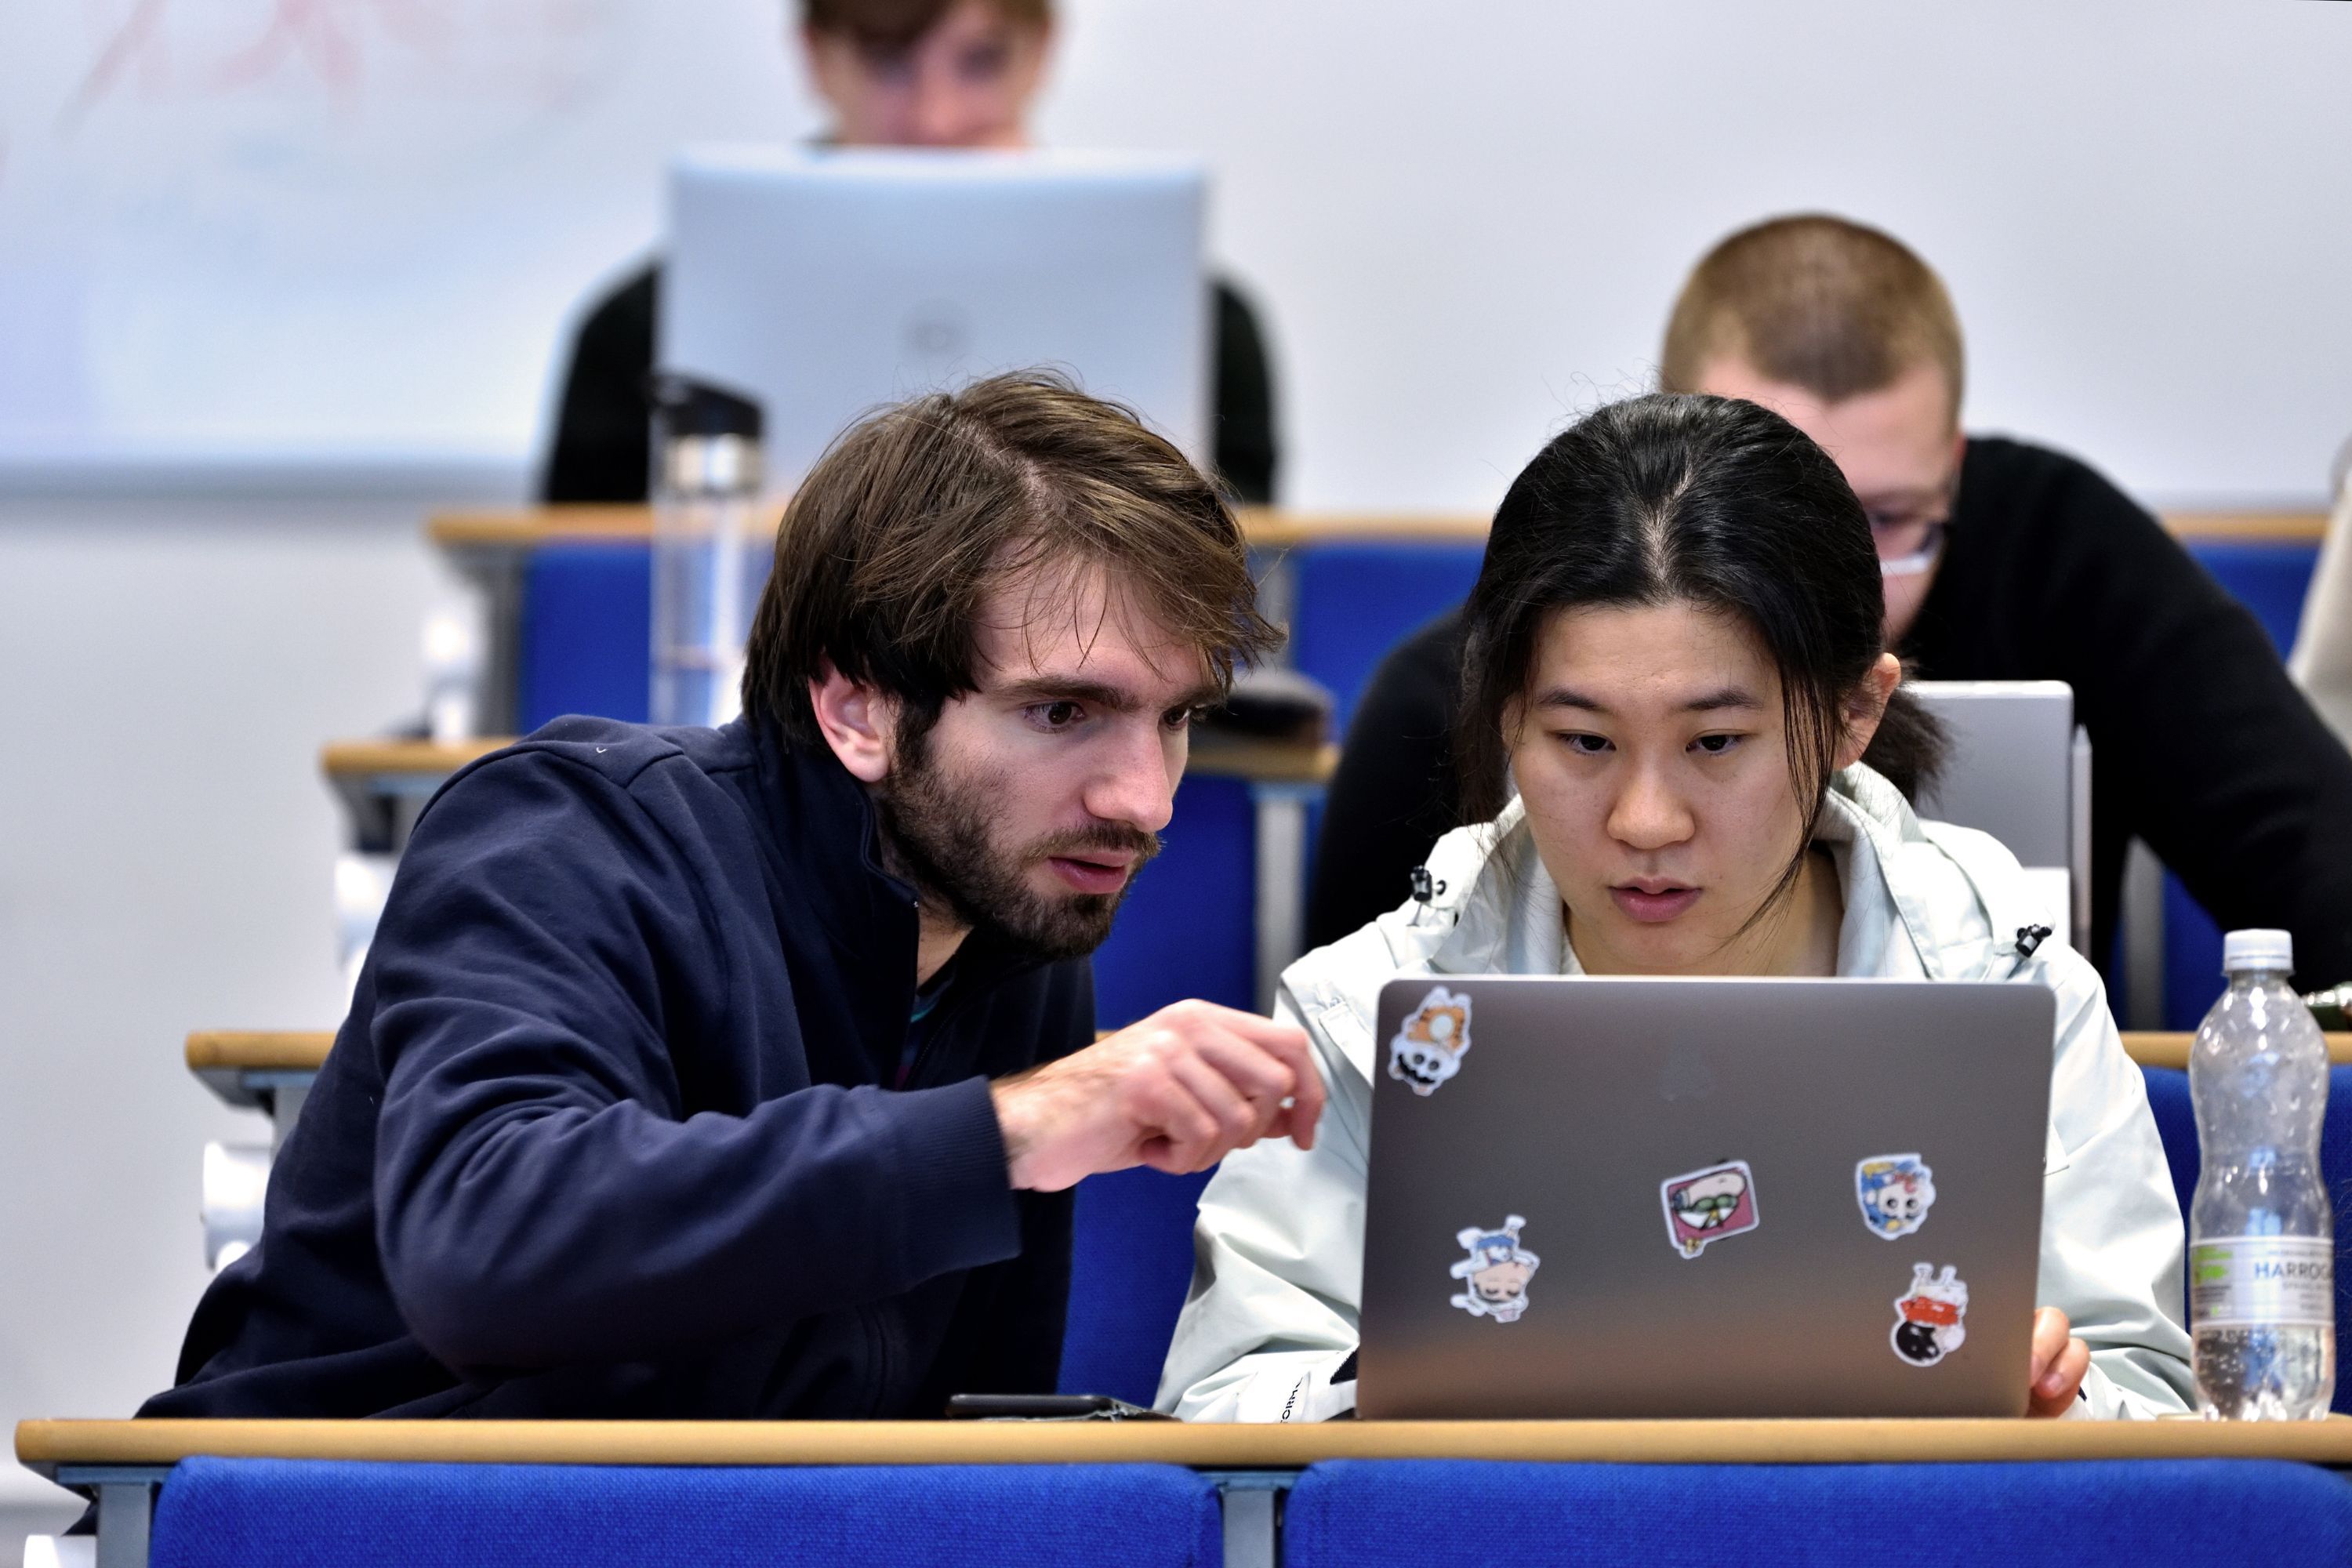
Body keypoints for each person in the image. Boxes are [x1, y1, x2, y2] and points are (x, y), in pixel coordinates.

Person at [140, 372, 1323, 1419]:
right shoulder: (567, 834)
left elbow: (940, 1436)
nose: (1145, 801)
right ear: (857, 708)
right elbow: (486, 1245)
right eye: (1061, 712)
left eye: (1174, 722)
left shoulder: (1015, 924)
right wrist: (1011, 1128)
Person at [1160, 394, 2194, 1423]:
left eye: (1714, 744)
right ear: (1503, 714)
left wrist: (2063, 1403)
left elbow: (2160, 1413)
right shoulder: (1369, 1015)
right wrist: (1393, 1389)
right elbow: (1222, 1417)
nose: (1646, 821)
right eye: (1583, 741)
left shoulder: (2009, 988)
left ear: (1855, 714)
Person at [1308, 215, 2352, 996]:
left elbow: (2320, 875)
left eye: (1890, 519)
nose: (1832, 566)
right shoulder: (1453, 692)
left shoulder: (2070, 556)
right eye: (1585, 741)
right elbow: (1366, 1076)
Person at [543, 0, 1280, 506]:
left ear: (1043, 50)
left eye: (981, 61)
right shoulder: (644, 327)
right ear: (815, 56)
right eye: (889, 63)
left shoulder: (1198, 323)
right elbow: (583, 595)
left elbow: (1238, 602)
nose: (937, 118)